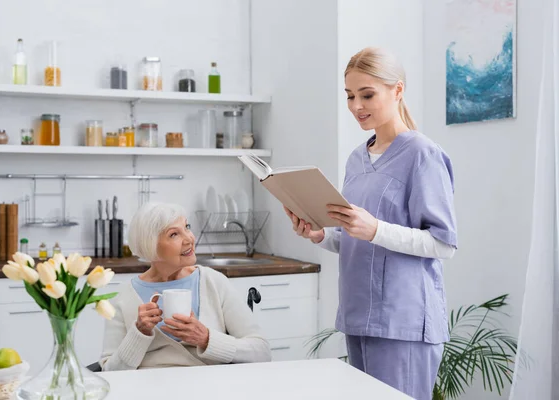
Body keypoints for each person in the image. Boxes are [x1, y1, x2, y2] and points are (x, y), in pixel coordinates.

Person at [284, 47, 457, 399]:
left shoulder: (423, 155)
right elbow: (354, 236)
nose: (356, 106)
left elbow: (443, 244)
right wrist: (319, 235)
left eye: (367, 94)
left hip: (402, 321)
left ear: (397, 91)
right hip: (358, 314)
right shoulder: (356, 159)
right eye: (350, 95)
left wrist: (376, 229)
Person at [100, 202, 271, 371]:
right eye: (174, 234)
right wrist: (139, 333)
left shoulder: (213, 282)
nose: (189, 238)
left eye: (187, 227)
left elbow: (261, 352)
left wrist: (206, 338)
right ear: (150, 244)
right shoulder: (122, 296)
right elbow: (112, 373)